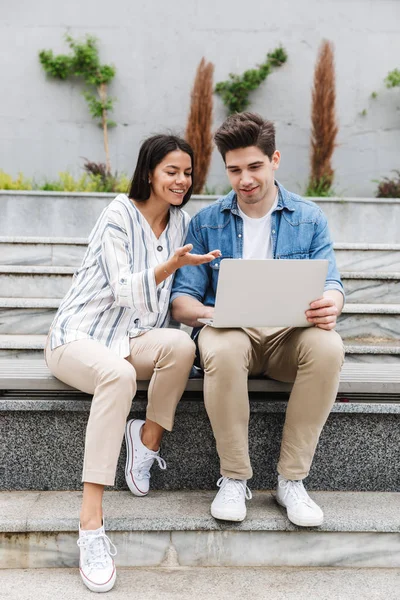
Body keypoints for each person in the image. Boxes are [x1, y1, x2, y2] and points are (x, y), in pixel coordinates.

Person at [45, 134, 220, 593]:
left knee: (182, 347)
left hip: (131, 337)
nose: (181, 180)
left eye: (187, 172)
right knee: (118, 375)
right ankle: (90, 527)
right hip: (78, 337)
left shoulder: (182, 223)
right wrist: (168, 267)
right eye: (171, 171)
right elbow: (125, 288)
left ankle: (145, 442)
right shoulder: (117, 215)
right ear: (148, 172)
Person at [171, 112, 345, 527]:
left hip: (290, 337)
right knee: (224, 346)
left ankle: (292, 481)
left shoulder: (309, 217)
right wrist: (217, 312)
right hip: (231, 333)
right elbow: (181, 302)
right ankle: (234, 477)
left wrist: (332, 303)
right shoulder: (207, 221)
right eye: (234, 170)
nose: (244, 179)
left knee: (329, 348)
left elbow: (333, 282)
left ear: (274, 160)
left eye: (254, 167)